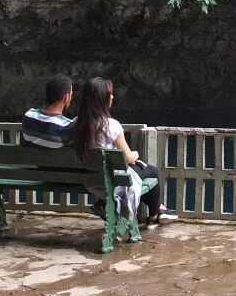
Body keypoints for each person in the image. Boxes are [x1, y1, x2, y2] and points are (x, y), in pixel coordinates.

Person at [68, 77, 176, 227]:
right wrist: (136, 154)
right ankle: (154, 216)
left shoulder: (75, 124)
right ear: (101, 99)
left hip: (90, 181)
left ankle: (159, 209)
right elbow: (128, 157)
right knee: (153, 172)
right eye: (109, 94)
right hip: (112, 181)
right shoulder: (111, 126)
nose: (112, 96)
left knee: (141, 174)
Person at [20, 76, 74, 149]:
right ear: (66, 97)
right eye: (71, 95)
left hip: (29, 160)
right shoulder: (66, 126)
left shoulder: (29, 115)